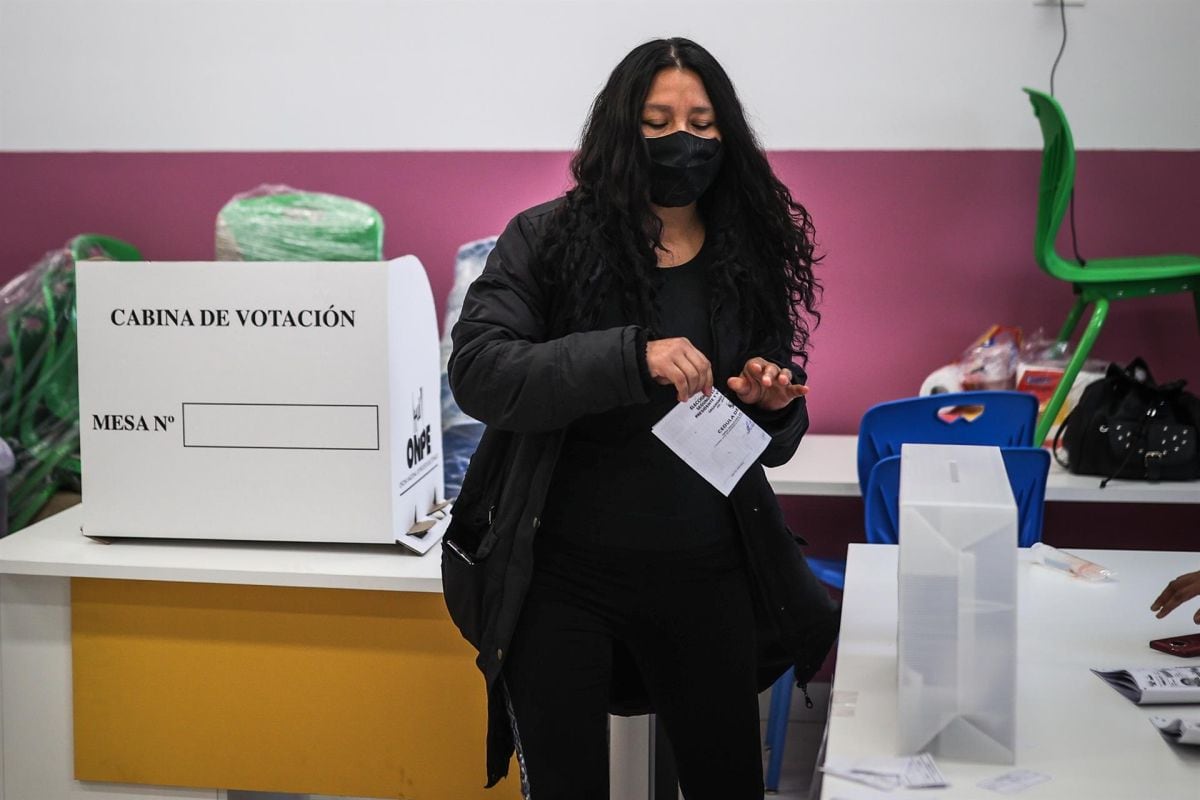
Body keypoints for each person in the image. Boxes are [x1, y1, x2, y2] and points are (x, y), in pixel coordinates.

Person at [443, 37, 840, 799]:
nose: (681, 138)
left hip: (708, 574)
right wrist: (631, 357)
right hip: (558, 580)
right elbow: (480, 371)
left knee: (727, 783)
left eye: (700, 119)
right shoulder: (546, 240)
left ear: (727, 133)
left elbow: (769, 433)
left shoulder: (746, 251)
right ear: (622, 130)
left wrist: (773, 402)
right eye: (657, 120)